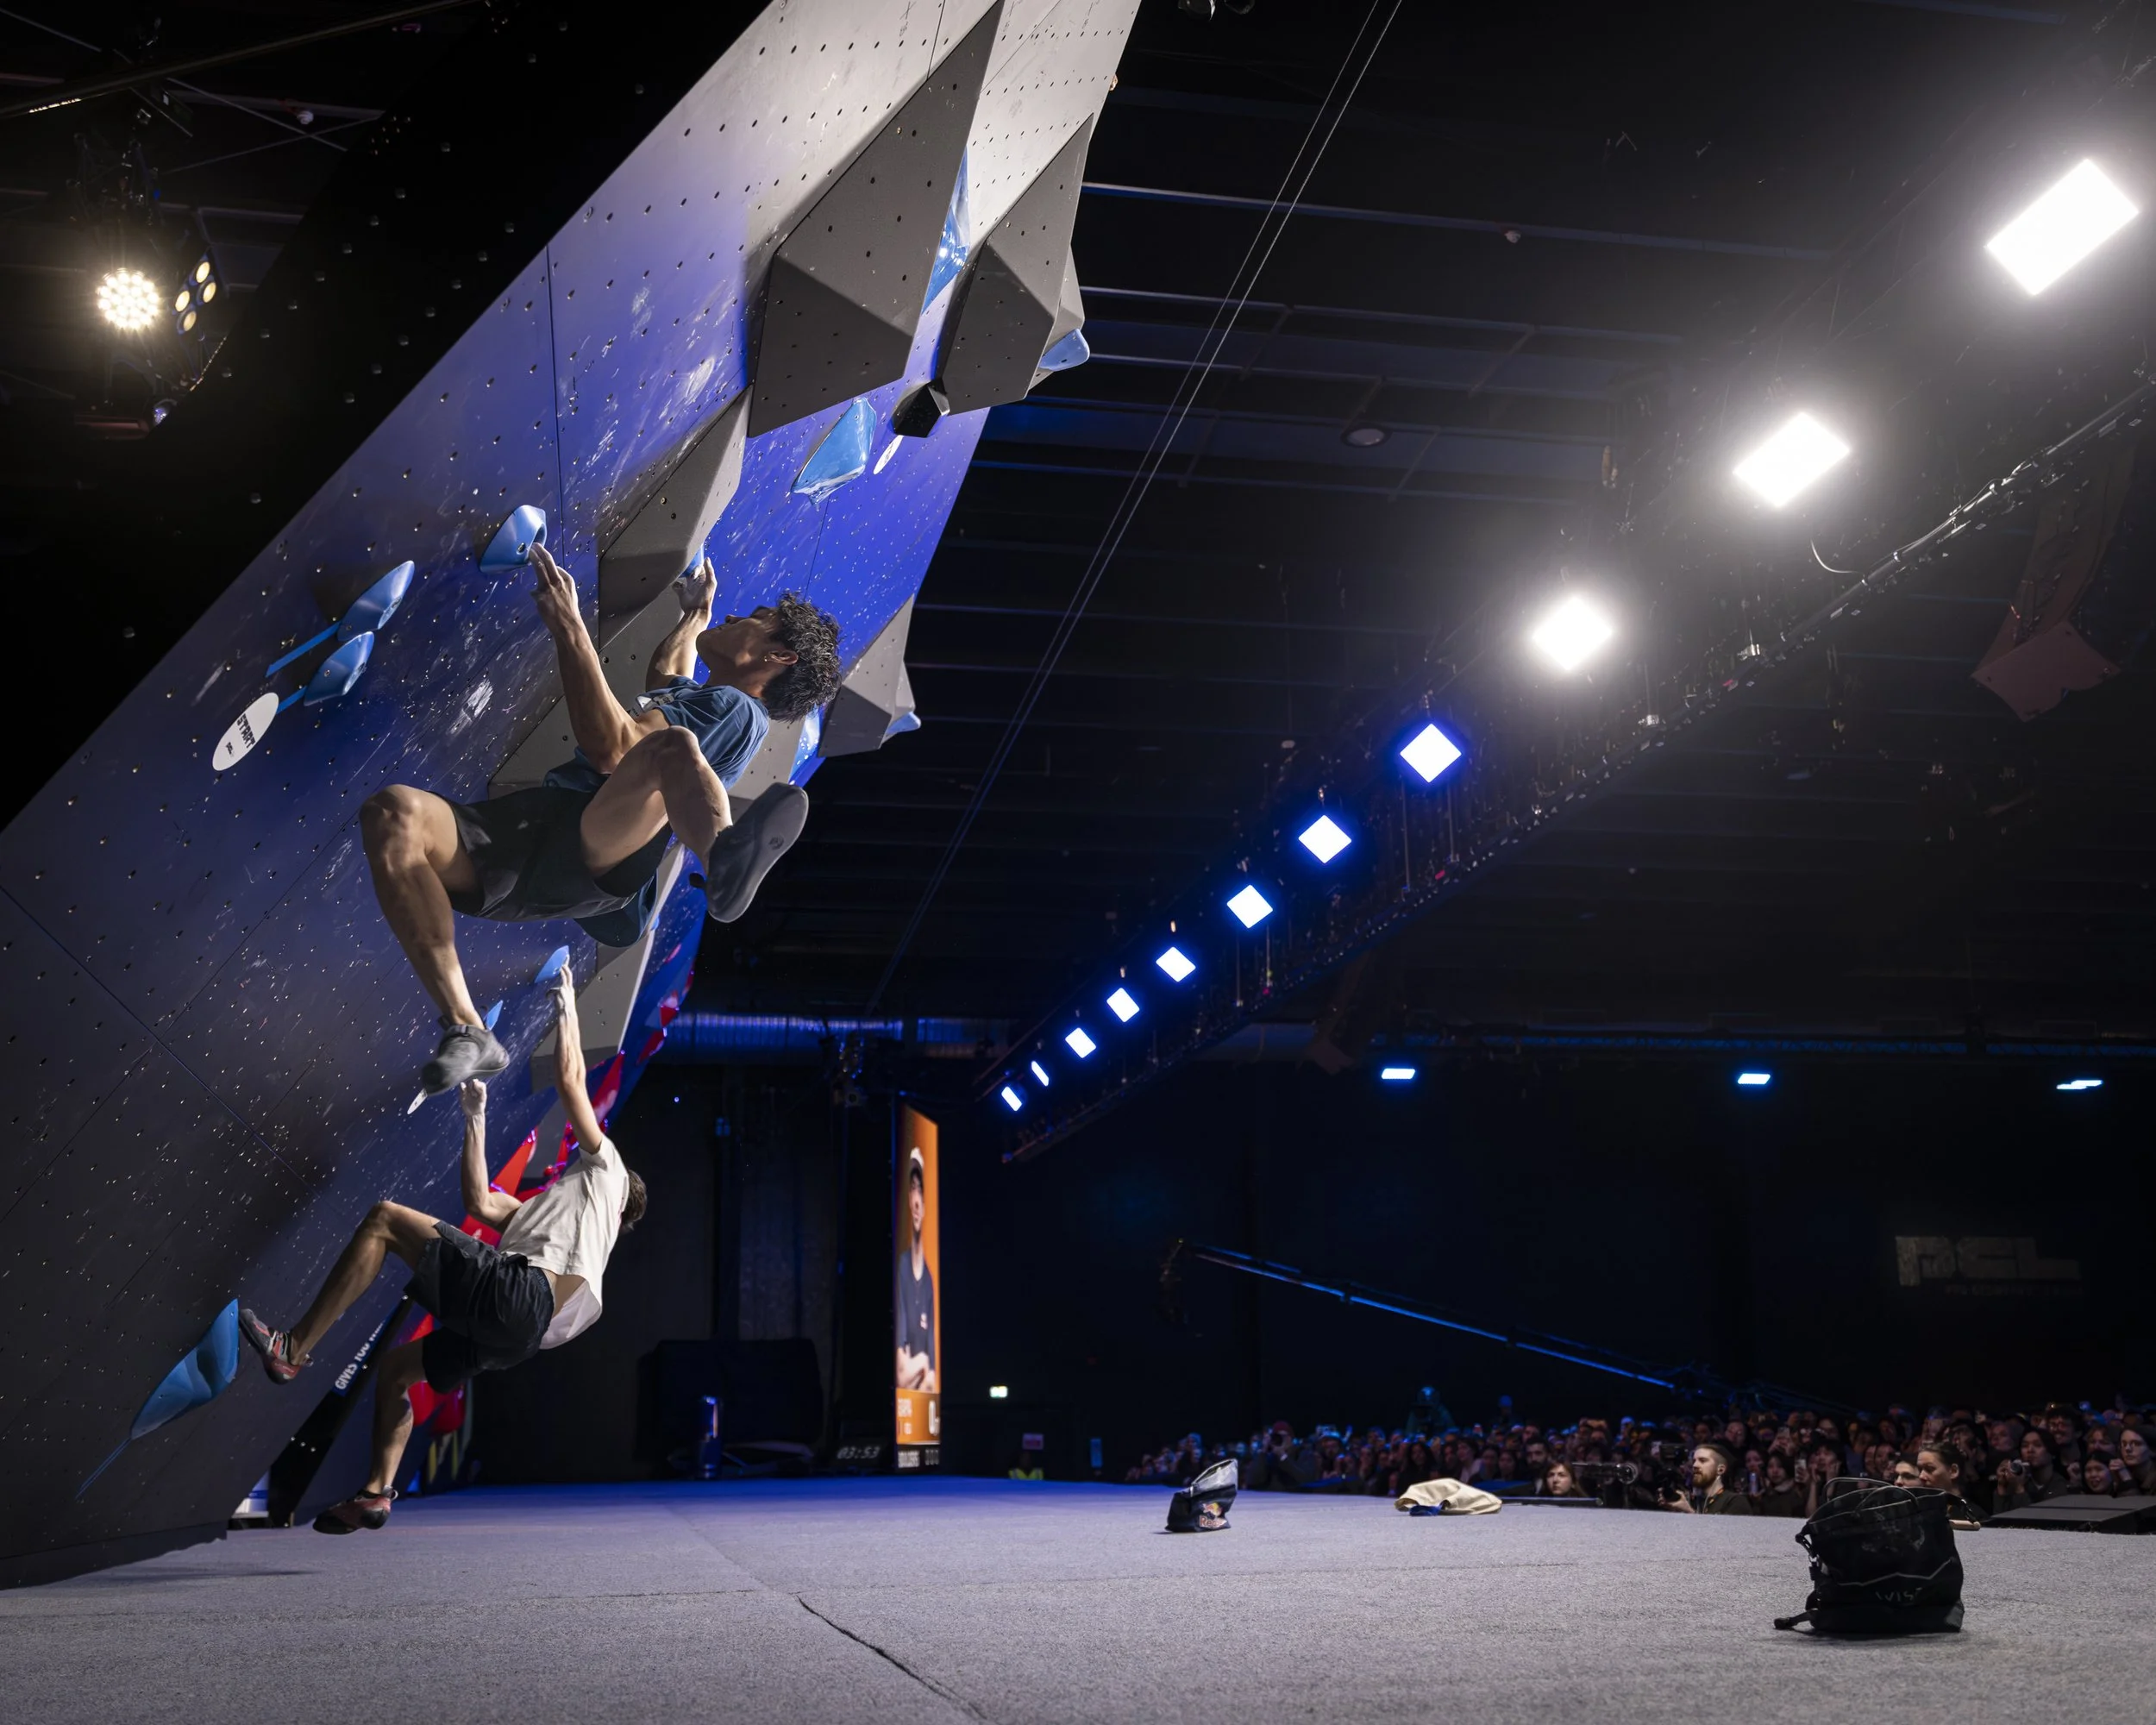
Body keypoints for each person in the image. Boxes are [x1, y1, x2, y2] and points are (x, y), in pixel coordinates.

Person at [363, 546, 841, 1094]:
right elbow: (668, 674)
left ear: (779, 656)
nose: (736, 615)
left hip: (597, 842)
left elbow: (616, 750)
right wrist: (695, 616)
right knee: (393, 814)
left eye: (755, 618)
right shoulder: (713, 702)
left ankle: (722, 858)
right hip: (545, 842)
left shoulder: (739, 709)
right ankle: (469, 1029)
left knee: (669, 746)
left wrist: (569, 625)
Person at [237, 969, 642, 1533]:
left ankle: (293, 1348)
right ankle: (376, 1492)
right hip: (517, 1335)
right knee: (397, 1371)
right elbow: (481, 1203)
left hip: (519, 1294)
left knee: (384, 1220)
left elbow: (572, 1081)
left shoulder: (610, 1175)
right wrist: (475, 1117)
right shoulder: (564, 1224)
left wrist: (567, 1004)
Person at [894, 1148, 937, 1392]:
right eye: (913, 1188)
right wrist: (921, 1362)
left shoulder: (929, 1281)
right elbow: (900, 1372)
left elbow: (931, 1379)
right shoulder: (901, 1268)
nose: (917, 1199)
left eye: (920, 1189)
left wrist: (919, 1364)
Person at [1992, 1428, 2076, 1510]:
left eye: (2038, 1445)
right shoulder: (2021, 1482)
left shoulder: (2062, 1487)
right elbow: (1999, 1516)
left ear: (2051, 1452)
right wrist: (2002, 1488)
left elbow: (2035, 1517)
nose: (2030, 1450)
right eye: (2025, 1446)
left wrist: (2019, 1489)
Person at [1665, 1441, 1757, 1515]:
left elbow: (1723, 1532)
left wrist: (1689, 1512)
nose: (1695, 1465)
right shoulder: (1693, 1502)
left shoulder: (1735, 1501)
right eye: (1694, 1461)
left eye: (1703, 1461)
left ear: (1720, 1470)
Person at [1755, 1451, 1806, 1516]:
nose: (1775, 1471)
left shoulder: (1797, 1491)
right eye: (1770, 1466)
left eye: (1780, 1466)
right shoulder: (1763, 1493)